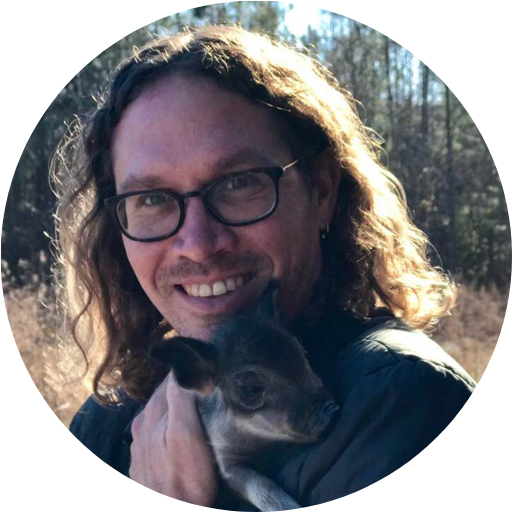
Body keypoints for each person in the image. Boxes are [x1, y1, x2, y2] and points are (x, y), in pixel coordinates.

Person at [53, 25, 476, 508]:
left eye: (239, 182)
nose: (198, 246)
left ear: (322, 190)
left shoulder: (401, 403)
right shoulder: (105, 422)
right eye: (152, 198)